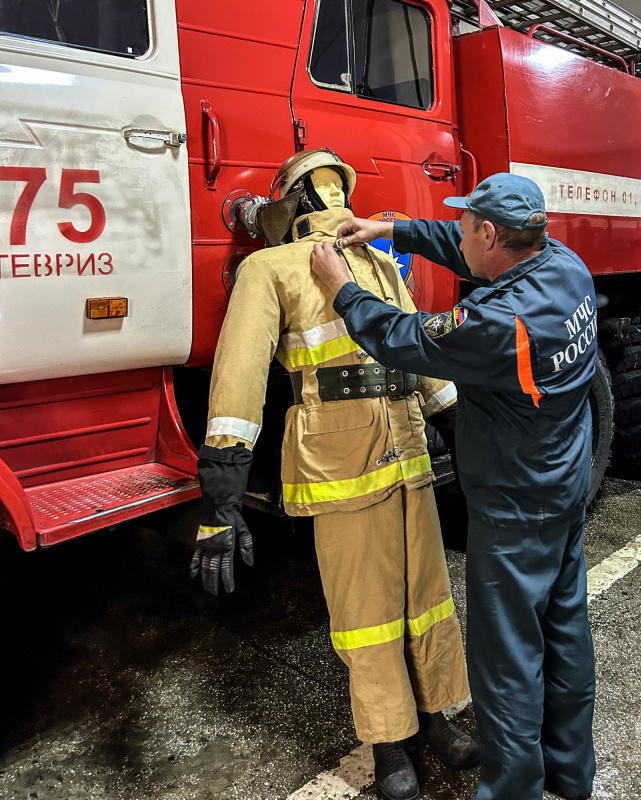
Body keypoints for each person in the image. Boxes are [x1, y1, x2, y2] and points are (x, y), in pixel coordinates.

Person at [189, 148, 478, 800]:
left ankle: (435, 718)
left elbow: (416, 344)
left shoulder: (377, 260)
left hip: (406, 451)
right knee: (366, 612)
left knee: (426, 597)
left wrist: (458, 428)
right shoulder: (269, 270)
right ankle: (389, 745)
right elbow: (237, 378)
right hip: (340, 463)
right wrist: (223, 493)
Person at [309, 173, 597, 800]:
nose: (460, 233)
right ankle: (572, 773)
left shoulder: (498, 322)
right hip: (564, 488)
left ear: (491, 233)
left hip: (515, 508)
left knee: (507, 661)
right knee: (565, 630)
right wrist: (389, 229)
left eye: (470, 225)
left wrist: (343, 290)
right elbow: (460, 242)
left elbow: (403, 338)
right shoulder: (567, 266)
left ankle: (513, 788)